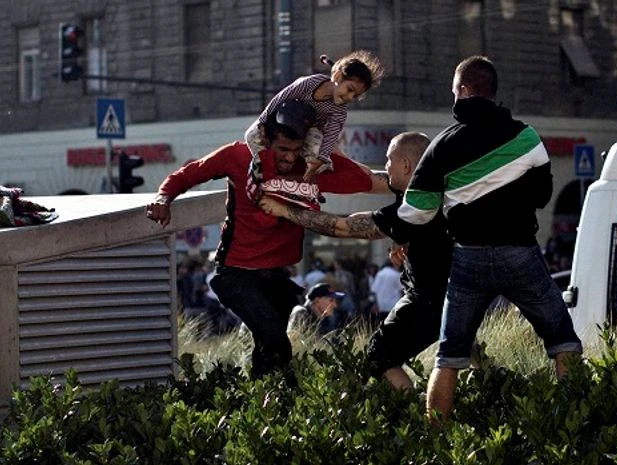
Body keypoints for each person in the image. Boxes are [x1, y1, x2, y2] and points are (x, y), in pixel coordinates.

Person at [397, 55, 583, 423]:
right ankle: (574, 429)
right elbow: (543, 195)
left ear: (464, 91)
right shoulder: (526, 137)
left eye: (454, 92)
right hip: (521, 254)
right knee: (564, 343)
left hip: (468, 259)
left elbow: (416, 212)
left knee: (449, 356)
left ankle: (437, 443)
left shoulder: (442, 147)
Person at [146, 100, 388, 377]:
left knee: (268, 349)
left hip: (275, 277)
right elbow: (189, 174)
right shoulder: (237, 156)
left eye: (296, 151)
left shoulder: (311, 165)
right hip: (236, 274)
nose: (288, 158)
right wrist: (163, 198)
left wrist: (416, 184)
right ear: (265, 140)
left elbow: (370, 180)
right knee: (275, 340)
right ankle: (276, 398)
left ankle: (262, 401)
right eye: (282, 149)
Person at [260, 132, 453, 391]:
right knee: (456, 351)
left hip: (427, 300)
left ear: (406, 166)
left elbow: (343, 227)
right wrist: (330, 157)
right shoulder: (432, 187)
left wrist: (285, 210)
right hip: (454, 295)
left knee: (379, 358)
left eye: (389, 159)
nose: (385, 166)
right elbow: (370, 178)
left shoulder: (412, 211)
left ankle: (416, 420)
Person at [245, 50, 385, 201]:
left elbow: (330, 136)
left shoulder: (339, 111)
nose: (350, 97)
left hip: (310, 132)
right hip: (283, 123)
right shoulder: (309, 84)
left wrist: (319, 160)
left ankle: (307, 188)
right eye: (350, 89)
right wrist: (264, 122)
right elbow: (279, 99)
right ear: (337, 77)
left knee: (321, 156)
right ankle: (261, 173)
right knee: (251, 136)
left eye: (355, 96)